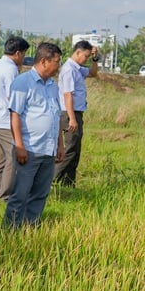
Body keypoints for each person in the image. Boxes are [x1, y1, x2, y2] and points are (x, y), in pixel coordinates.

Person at [4, 42, 65, 228]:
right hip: (29, 149)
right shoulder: (23, 83)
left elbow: (56, 116)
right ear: (44, 61)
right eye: (57, 62)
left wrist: (60, 145)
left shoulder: (53, 86)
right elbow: (15, 116)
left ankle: (31, 228)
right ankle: (11, 232)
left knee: (40, 193)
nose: (59, 66)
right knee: (20, 193)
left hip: (48, 149)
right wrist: (19, 146)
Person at [0, 36, 29, 201]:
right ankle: (5, 195)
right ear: (18, 53)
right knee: (13, 159)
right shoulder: (11, 69)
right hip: (7, 121)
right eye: (24, 54)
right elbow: (13, 97)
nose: (24, 58)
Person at [53, 40, 99, 187]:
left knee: (75, 150)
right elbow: (68, 95)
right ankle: (51, 179)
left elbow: (93, 73)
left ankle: (68, 183)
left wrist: (95, 58)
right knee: (69, 149)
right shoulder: (69, 70)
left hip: (76, 113)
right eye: (85, 56)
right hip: (68, 113)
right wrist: (72, 119)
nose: (86, 59)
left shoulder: (78, 68)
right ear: (77, 52)